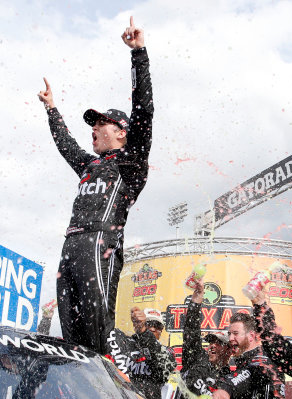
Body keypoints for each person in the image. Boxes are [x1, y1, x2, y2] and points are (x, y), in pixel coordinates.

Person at [37, 16, 154, 355]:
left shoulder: (131, 162)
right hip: (70, 245)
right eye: (93, 123)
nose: (94, 128)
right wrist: (52, 110)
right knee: (72, 339)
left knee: (97, 338)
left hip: (100, 243)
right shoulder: (90, 164)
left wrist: (138, 53)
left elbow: (144, 110)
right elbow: (66, 145)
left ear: (122, 132)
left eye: (101, 122)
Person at [106, 307, 176, 399]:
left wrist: (144, 332)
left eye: (156, 325)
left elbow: (163, 365)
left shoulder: (167, 352)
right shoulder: (123, 341)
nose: (152, 328)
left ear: (161, 331)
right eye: (148, 324)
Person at [211, 312, 286, 399]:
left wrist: (226, 388)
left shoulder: (262, 360)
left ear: (251, 336)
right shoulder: (246, 359)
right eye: (229, 334)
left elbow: (248, 373)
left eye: (236, 333)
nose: (230, 339)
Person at [181, 280, 234, 396]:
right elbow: (191, 332)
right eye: (211, 342)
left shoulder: (231, 379)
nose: (213, 345)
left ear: (229, 351)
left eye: (219, 343)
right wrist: (196, 301)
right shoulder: (197, 358)